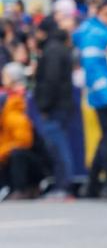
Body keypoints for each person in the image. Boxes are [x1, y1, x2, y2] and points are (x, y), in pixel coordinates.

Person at [76, 0, 107, 198]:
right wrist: (106, 91)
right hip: (105, 95)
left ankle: (93, 182)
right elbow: (92, 67)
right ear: (98, 14)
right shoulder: (95, 36)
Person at [32, 13, 77, 197]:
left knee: (57, 146)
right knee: (59, 144)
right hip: (62, 104)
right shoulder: (59, 48)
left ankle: (63, 185)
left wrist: (44, 105)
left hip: (55, 106)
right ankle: (63, 184)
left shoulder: (52, 51)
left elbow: (51, 80)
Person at [0, 61, 44, 198]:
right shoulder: (8, 114)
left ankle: (21, 189)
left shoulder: (16, 113)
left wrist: (2, 152)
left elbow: (23, 142)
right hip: (16, 151)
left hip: (34, 161)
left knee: (16, 154)